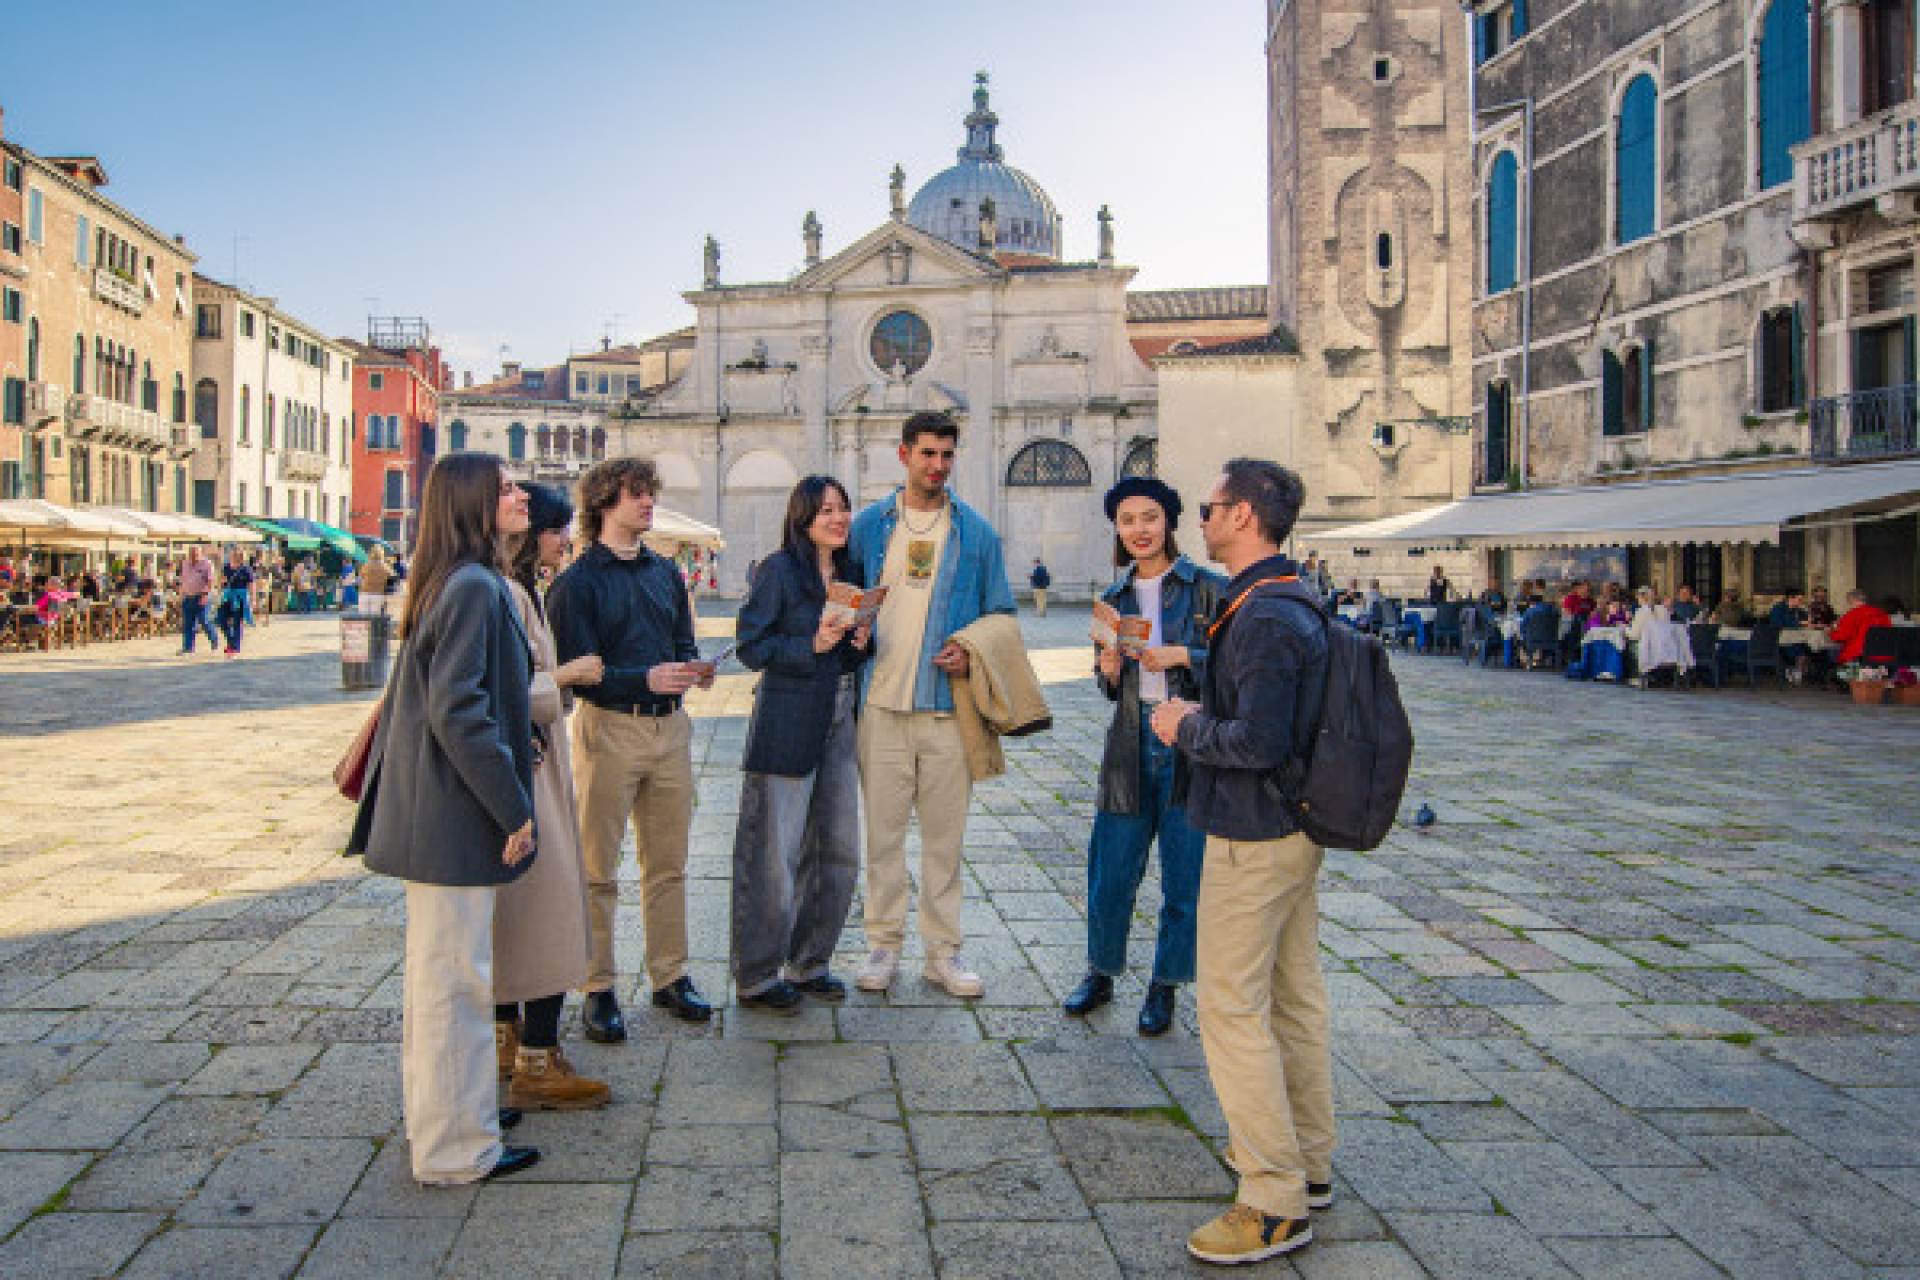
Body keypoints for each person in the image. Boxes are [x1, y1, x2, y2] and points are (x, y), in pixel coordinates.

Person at [1150, 459, 1329, 1265]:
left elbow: (1257, 740)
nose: (1203, 516)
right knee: (1292, 998)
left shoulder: (1262, 614)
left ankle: (1273, 1197)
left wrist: (1182, 727)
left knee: (1228, 1007)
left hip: (1252, 833)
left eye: (1210, 505)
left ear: (1246, 515)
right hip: (1292, 828)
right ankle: (1309, 1160)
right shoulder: (1286, 596)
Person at [345, 452, 541, 1186]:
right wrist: (513, 806)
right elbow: (461, 712)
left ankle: (456, 1124)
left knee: (447, 981)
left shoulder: (458, 582)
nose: (521, 495)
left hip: (446, 813)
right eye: (507, 487)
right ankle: (455, 1149)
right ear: (473, 502)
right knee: (454, 984)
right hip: (457, 816)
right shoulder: (471, 589)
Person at [848, 410, 1015, 998]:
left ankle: (943, 953)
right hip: (880, 706)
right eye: (927, 454)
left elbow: (1003, 615)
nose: (938, 466)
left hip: (949, 710)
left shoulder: (977, 534)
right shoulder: (868, 528)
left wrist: (972, 652)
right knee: (883, 837)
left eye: (947, 455)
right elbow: (841, 601)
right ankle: (882, 945)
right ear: (903, 455)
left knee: (945, 841)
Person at [548, 458, 716, 1037]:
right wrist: (644, 678)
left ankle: (670, 975)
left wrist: (695, 668)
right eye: (637, 494)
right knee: (597, 867)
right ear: (603, 502)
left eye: (650, 493)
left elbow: (682, 639)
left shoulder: (667, 574)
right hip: (609, 729)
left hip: (670, 730)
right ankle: (597, 985)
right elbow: (583, 670)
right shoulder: (575, 584)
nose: (648, 503)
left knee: (668, 863)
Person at [1064, 476, 1222, 1036]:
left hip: (1191, 748)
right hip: (1129, 745)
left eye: (1149, 518)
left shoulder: (1208, 590)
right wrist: (1108, 672)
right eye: (1128, 520)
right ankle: (1100, 972)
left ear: (1169, 524)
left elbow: (1237, 662)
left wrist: (1184, 654)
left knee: (1185, 878)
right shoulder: (1113, 599)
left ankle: (1165, 986)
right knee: (1110, 872)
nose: (1139, 530)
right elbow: (1112, 689)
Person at [729, 476, 871, 1013]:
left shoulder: (851, 572)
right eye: (827, 510)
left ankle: (810, 961)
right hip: (787, 718)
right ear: (803, 517)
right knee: (773, 853)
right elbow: (750, 644)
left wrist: (860, 641)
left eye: (843, 509)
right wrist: (808, 643)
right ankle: (758, 975)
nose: (838, 518)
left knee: (837, 849)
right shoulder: (778, 571)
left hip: (839, 713)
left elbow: (850, 654)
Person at [494, 483, 610, 1111]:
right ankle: (537, 1058)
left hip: (526, 762)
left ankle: (508, 1042)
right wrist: (565, 677)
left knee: (519, 910)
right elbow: (505, 686)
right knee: (550, 905)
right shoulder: (508, 594)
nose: (565, 540)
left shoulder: (518, 591)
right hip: (530, 766)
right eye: (558, 529)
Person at [1829, 589, 1892, 665]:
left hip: (1857, 655)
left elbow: (1840, 637)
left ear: (1851, 600)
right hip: (1883, 655)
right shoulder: (1882, 614)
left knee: (1830, 655)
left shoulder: (1852, 614)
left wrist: (1831, 631)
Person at [178, 546, 220, 654]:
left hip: (202, 596)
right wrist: (181, 594)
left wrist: (205, 595)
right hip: (188, 596)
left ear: (201, 554)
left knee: (204, 620)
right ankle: (188, 648)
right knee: (188, 624)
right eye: (191, 554)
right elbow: (183, 579)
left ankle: (214, 641)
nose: (193, 556)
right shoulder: (185, 564)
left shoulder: (207, 564)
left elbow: (211, 581)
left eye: (195, 554)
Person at [215, 549, 254, 657]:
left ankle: (235, 648)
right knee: (220, 619)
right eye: (233, 555)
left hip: (240, 598)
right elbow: (221, 581)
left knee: (237, 622)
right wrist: (220, 590)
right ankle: (231, 642)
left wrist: (252, 600)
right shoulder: (226, 567)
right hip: (227, 596)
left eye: (237, 555)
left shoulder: (246, 569)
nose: (234, 557)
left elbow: (251, 585)